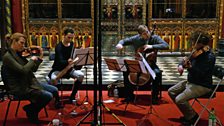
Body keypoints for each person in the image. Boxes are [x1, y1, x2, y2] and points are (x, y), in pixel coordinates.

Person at [1, 33, 60, 124]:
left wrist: (39, 57)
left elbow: (33, 69)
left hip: (28, 83)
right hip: (19, 88)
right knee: (48, 96)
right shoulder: (8, 57)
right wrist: (32, 60)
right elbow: (23, 70)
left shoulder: (18, 54)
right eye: (21, 43)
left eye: (24, 43)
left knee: (54, 89)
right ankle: (32, 110)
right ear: (14, 42)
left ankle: (31, 108)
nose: (23, 46)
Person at [168, 31, 216, 125]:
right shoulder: (196, 52)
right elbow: (185, 60)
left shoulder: (209, 57)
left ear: (201, 44)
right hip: (191, 81)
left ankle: (192, 117)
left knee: (179, 99)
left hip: (202, 85)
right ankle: (189, 114)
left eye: (195, 43)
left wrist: (190, 68)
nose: (193, 45)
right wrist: (181, 65)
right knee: (171, 91)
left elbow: (200, 74)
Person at [116, 24, 169, 104]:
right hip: (138, 63)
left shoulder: (154, 38)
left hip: (150, 64)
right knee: (125, 71)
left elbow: (166, 45)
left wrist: (151, 46)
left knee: (157, 73)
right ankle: (129, 96)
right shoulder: (136, 39)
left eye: (147, 32)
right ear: (140, 35)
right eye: (144, 34)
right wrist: (120, 44)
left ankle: (154, 96)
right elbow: (123, 41)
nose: (147, 34)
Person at [48, 28, 84, 103]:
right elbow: (60, 61)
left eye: (72, 38)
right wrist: (68, 61)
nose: (70, 39)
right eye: (69, 37)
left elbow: (74, 57)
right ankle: (57, 100)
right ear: (64, 36)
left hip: (69, 69)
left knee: (80, 75)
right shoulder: (59, 46)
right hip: (58, 69)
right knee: (53, 79)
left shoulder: (72, 45)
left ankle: (72, 96)